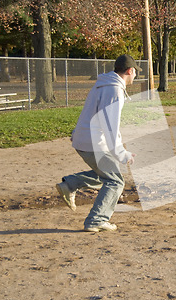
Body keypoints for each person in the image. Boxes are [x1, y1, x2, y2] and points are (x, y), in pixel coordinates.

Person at [56, 54, 141, 232]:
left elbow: (89, 112)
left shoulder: (103, 85)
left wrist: (77, 132)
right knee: (115, 181)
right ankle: (96, 220)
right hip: (94, 143)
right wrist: (121, 153)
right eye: (135, 73)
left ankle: (70, 184)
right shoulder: (114, 90)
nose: (135, 77)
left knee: (107, 173)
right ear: (130, 71)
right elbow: (109, 126)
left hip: (85, 139)